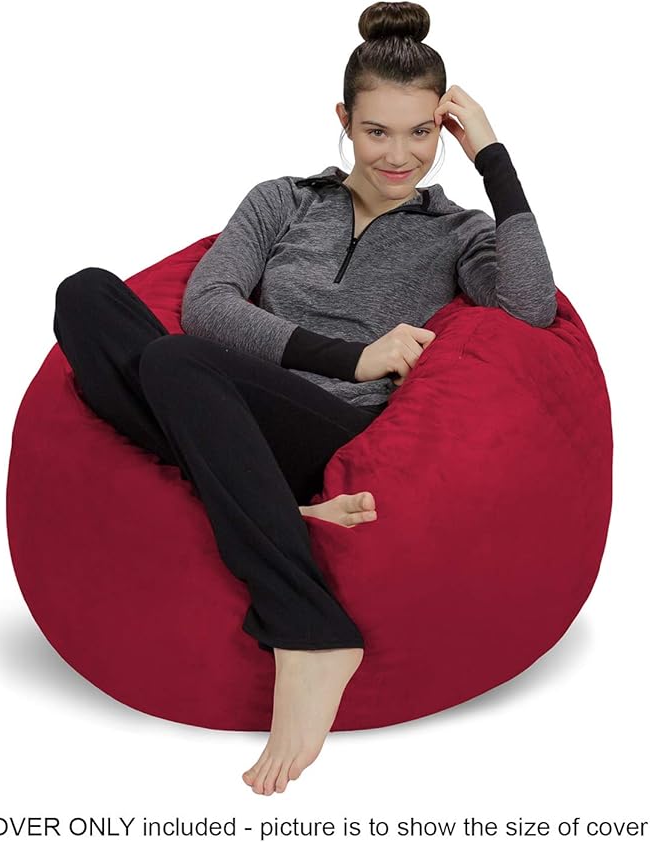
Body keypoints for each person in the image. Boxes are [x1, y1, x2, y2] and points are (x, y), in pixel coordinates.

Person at [52, 0, 557, 797]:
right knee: (85, 296)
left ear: (443, 130)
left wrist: (493, 157)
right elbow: (207, 306)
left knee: (176, 364)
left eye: (421, 132)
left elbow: (529, 309)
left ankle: (309, 628)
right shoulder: (280, 200)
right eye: (377, 131)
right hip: (227, 398)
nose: (399, 155)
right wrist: (355, 356)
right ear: (343, 122)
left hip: (329, 431)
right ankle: (279, 513)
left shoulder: (457, 232)